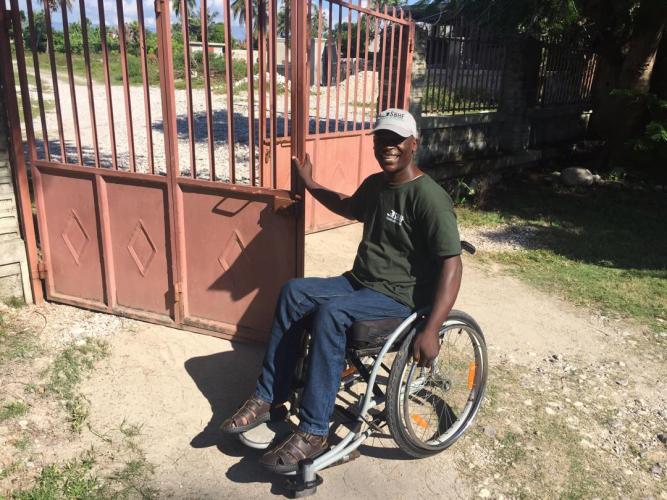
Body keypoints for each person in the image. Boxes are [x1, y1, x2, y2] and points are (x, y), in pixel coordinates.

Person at [221, 108, 463, 473]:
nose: (388, 146)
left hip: (400, 300)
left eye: (397, 140)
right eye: (382, 138)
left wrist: (431, 329)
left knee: (332, 314)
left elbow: (452, 264)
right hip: (359, 283)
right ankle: (270, 396)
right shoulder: (377, 185)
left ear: (415, 144)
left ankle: (315, 430)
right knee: (293, 292)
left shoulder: (429, 198)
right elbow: (349, 207)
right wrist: (309, 183)